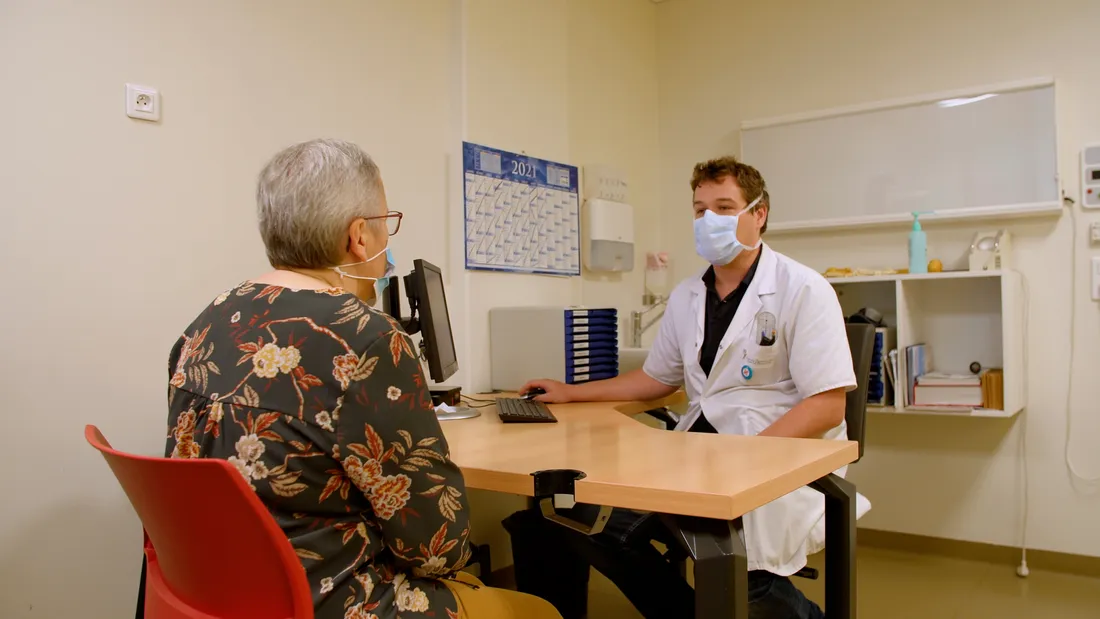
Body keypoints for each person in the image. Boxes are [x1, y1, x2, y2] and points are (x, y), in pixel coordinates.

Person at [165, 139, 560, 619]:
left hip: (217, 594)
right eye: (384, 222)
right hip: (333, 601)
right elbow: (436, 546)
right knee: (538, 611)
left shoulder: (209, 321)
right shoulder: (367, 339)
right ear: (359, 236)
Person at [513, 156, 866, 619]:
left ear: (759, 214)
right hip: (700, 455)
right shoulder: (687, 295)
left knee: (745, 581)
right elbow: (657, 379)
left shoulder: (803, 289)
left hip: (775, 457)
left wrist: (749, 459)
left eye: (724, 207)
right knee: (572, 521)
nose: (709, 220)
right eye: (701, 210)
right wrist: (570, 391)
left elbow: (826, 406)